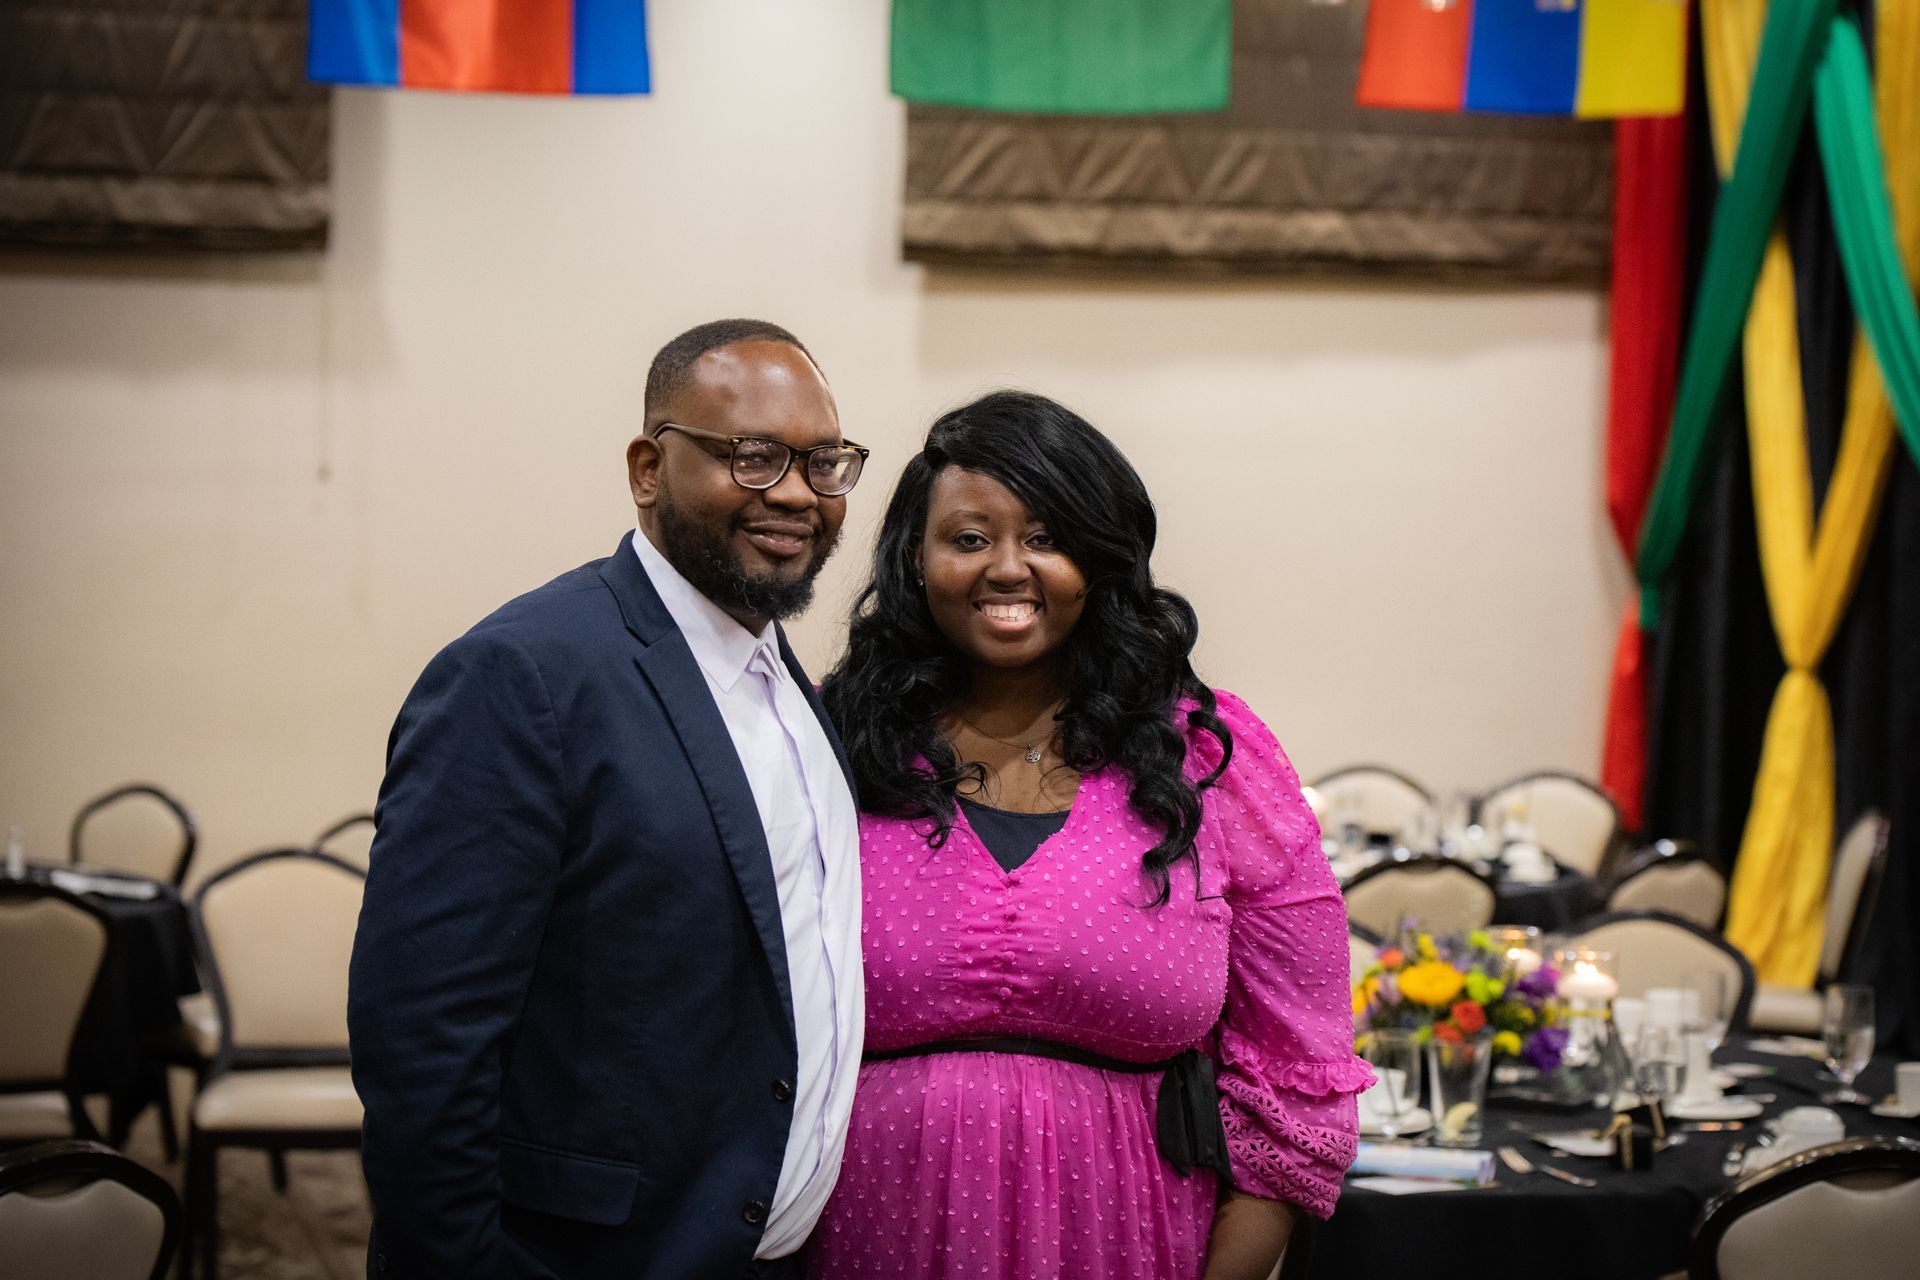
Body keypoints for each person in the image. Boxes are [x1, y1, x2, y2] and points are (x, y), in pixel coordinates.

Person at [349, 318, 869, 1280]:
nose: (796, 493)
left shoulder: (786, 682)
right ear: (647, 467)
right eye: (753, 458)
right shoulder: (523, 675)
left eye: (824, 462)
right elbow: (425, 1047)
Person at [811, 391, 1367, 1280]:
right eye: (968, 538)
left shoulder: (1210, 758)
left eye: (1046, 537)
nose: (1007, 568)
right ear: (915, 561)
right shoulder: (831, 746)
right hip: (866, 1238)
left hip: (1133, 1238)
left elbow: (1297, 1077)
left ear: (1101, 562)